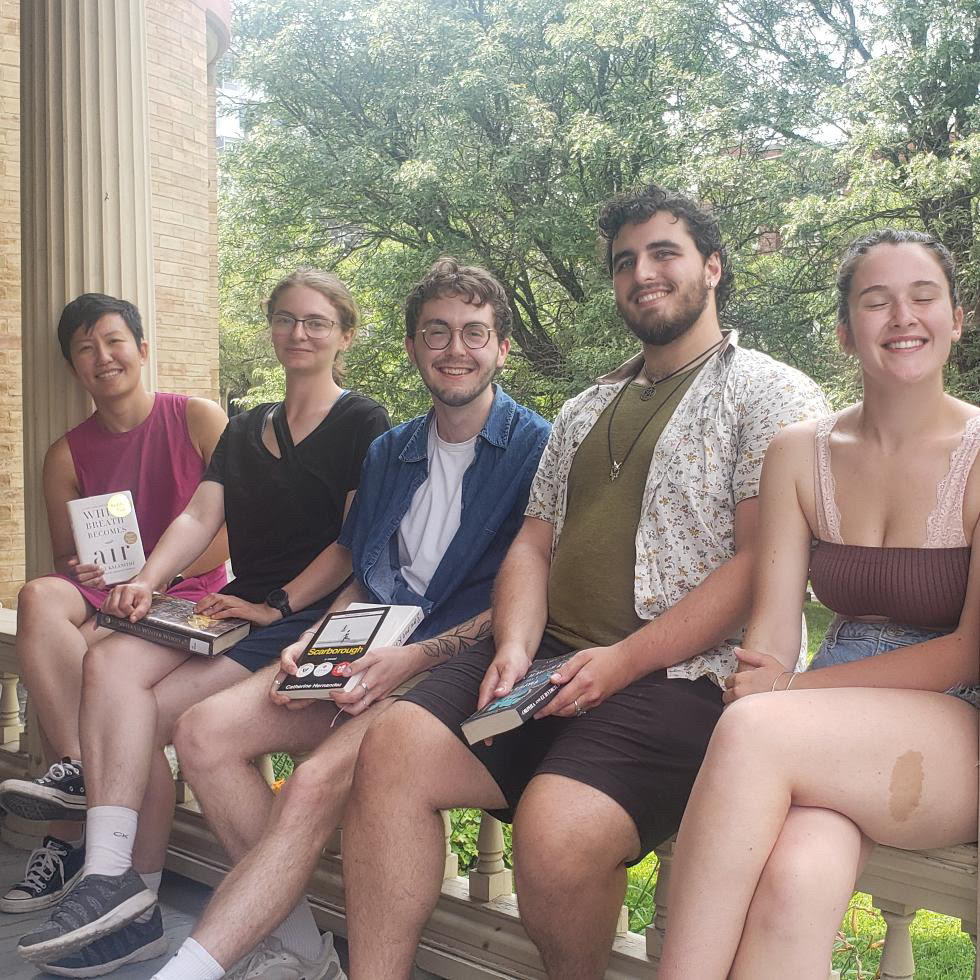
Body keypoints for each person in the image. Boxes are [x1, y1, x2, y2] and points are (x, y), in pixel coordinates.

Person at [338, 186, 828, 980]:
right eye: (625, 261)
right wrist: (516, 643)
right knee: (393, 746)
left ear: (713, 266)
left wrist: (623, 661)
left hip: (682, 674)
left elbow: (759, 562)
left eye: (663, 253)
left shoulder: (771, 393)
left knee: (556, 832)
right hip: (549, 657)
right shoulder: (584, 407)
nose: (643, 272)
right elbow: (532, 546)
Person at [146, 258, 550, 980]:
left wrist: (412, 662)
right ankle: (298, 942)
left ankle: (190, 967)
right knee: (202, 732)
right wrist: (309, 640)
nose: (455, 349)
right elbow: (365, 572)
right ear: (411, 346)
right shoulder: (390, 451)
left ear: (501, 347)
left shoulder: (537, 449)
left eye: (474, 333)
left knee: (311, 783)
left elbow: (525, 598)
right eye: (437, 333)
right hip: (364, 650)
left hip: (448, 671)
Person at [15, 269, 390, 977]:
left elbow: (352, 544)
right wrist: (146, 582)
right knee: (109, 666)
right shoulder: (246, 426)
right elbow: (198, 515)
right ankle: (107, 876)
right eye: (285, 319)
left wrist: (278, 604)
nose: (298, 333)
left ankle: (297, 943)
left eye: (315, 321)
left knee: (158, 723)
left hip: (308, 617)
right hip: (233, 608)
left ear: (345, 334)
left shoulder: (362, 422)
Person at [658, 229, 980, 979]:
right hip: (830, 723)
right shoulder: (798, 452)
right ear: (845, 331)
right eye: (877, 301)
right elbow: (772, 629)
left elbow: (968, 650)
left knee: (752, 730)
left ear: (956, 318)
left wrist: (788, 693)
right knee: (795, 882)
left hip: (958, 715)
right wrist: (768, 677)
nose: (903, 316)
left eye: (923, 296)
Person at [0, 293, 229, 916]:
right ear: (74, 368)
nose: (102, 357)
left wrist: (150, 578)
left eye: (113, 341)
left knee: (106, 693)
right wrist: (89, 569)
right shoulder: (66, 455)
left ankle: (72, 840)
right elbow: (67, 563)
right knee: (39, 595)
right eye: (84, 349)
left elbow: (235, 536)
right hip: (114, 601)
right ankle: (78, 770)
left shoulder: (199, 419)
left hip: (196, 600)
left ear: (141, 348)